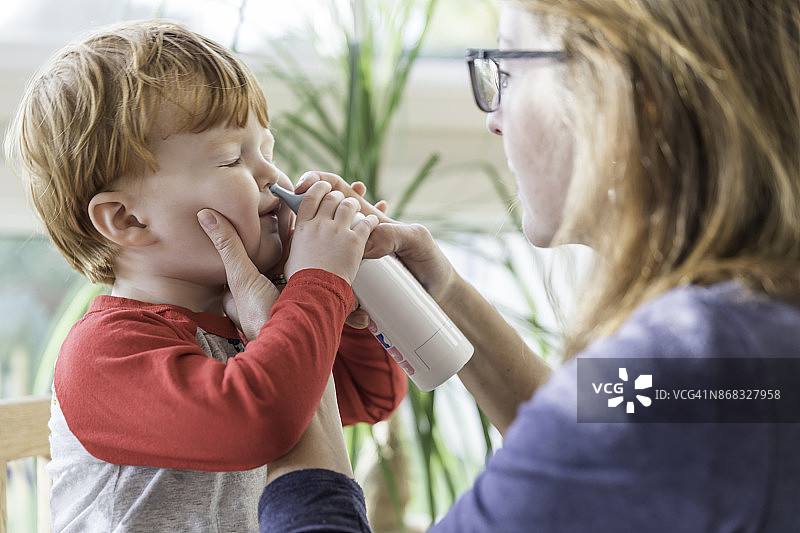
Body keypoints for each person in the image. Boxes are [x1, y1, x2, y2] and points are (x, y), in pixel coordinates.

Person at [198, 0, 800, 531]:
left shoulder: (698, 357)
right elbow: (591, 445)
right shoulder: (750, 354)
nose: (493, 117)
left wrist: (286, 350)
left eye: (507, 70)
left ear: (621, 95)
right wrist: (445, 291)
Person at [3, 20, 409, 531]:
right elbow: (263, 418)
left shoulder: (251, 318)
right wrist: (318, 283)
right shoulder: (105, 353)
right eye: (232, 158)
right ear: (127, 220)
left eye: (268, 151)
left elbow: (370, 394)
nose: (272, 176)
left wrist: (348, 292)